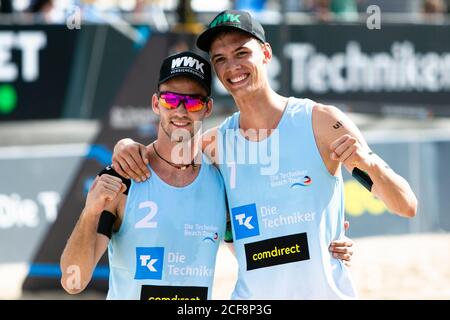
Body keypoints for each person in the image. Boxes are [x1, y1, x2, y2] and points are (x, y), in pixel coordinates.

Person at [111, 10, 418, 299]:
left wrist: (369, 164)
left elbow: (405, 205)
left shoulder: (320, 121)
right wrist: (125, 146)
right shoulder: (213, 145)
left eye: (241, 53)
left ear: (266, 54)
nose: (232, 66)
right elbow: (170, 172)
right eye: (220, 59)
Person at [60, 51, 228, 300]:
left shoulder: (220, 177)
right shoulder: (122, 177)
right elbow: (73, 282)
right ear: (155, 103)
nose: (181, 111)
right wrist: (90, 213)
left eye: (193, 102)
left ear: (208, 108)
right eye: (171, 100)